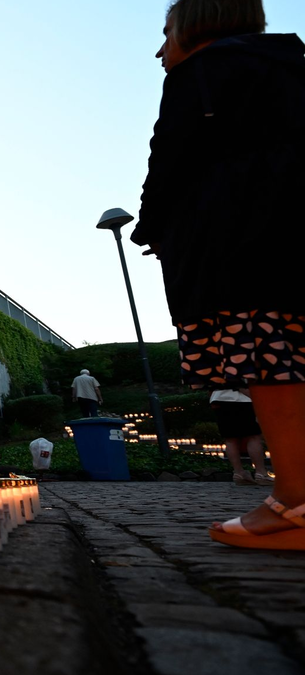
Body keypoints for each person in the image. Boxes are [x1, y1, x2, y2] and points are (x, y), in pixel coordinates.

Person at [130, 0, 305, 549]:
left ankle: (297, 503)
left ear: (195, 24)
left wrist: (152, 228)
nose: (161, 49)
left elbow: (171, 160)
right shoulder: (290, 65)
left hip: (243, 244)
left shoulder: (202, 73)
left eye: (166, 33)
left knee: (267, 359)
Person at [210, 388, 272, 485]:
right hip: (243, 399)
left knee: (230, 439)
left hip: (220, 397)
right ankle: (261, 473)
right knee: (253, 436)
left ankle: (238, 472)